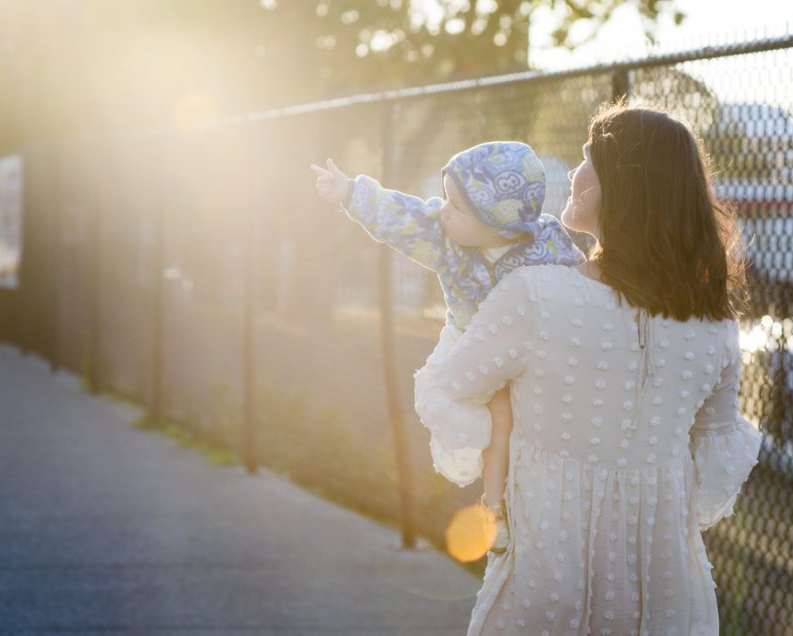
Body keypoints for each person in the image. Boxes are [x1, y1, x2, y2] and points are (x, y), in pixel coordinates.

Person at [413, 103, 764, 635]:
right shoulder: (714, 324)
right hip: (665, 586)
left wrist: (466, 321)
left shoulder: (535, 295)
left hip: (547, 575)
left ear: (624, 185)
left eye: (587, 159)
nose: (575, 175)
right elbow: (714, 463)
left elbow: (449, 390)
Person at [311, 141, 585, 553]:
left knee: (515, 415)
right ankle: (495, 506)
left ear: (497, 223)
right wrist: (351, 192)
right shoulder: (445, 238)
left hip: (524, 349)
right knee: (491, 413)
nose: (443, 210)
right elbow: (401, 216)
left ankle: (515, 503)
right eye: (445, 199)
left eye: (456, 207)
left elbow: (580, 283)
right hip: (467, 341)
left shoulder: (546, 246)